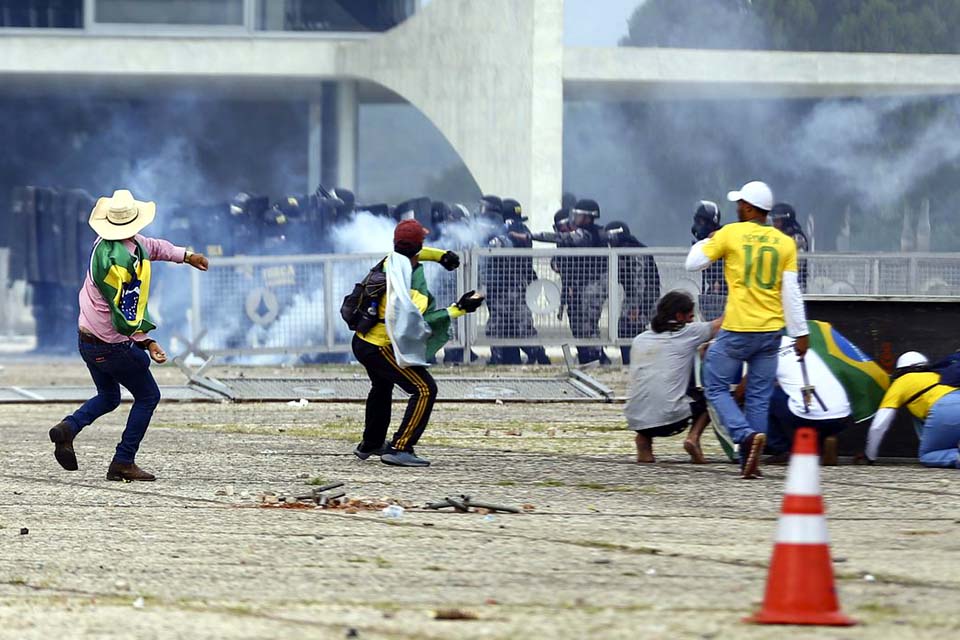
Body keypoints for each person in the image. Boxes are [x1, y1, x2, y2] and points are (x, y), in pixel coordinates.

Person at [47, 189, 209, 481]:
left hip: (87, 340)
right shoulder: (116, 266)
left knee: (109, 396)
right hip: (110, 344)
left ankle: (68, 428)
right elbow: (126, 313)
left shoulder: (107, 243)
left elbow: (154, 247)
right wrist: (148, 341)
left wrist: (186, 256)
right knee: (148, 395)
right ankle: (123, 460)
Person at [685, 180, 809, 479]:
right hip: (772, 332)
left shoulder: (730, 233)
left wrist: (709, 240)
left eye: (740, 203)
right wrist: (801, 334)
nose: (737, 207)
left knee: (714, 385)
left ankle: (743, 435)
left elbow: (693, 263)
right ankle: (749, 462)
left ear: (750, 208)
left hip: (739, 328)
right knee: (758, 397)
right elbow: (791, 292)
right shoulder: (785, 243)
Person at [351, 220, 483, 467]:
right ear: (418, 247)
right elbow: (418, 322)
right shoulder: (411, 284)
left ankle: (371, 443)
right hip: (379, 347)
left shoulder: (391, 260)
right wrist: (459, 308)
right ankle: (400, 448)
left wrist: (441, 256)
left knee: (382, 386)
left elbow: (414, 252)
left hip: (362, 340)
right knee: (424, 389)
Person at [625, 291, 721, 463]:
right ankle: (693, 438)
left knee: (651, 388)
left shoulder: (640, 338)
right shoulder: (688, 332)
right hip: (671, 420)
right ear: (679, 316)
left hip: (636, 419)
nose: (693, 320)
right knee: (713, 396)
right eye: (691, 316)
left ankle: (644, 443)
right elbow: (723, 324)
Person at [865, 351, 960, 468]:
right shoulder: (940, 375)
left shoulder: (902, 381)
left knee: (928, 455)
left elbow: (878, 426)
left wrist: (870, 456)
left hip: (944, 409)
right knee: (917, 413)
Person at [606, 220, 661, 365]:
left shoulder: (634, 251)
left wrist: (637, 307)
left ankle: (633, 366)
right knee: (628, 331)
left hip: (643, 301)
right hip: (640, 300)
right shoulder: (627, 250)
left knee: (629, 329)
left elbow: (639, 281)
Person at [691, 201, 727, 321]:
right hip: (712, 290)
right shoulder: (704, 244)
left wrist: (718, 283)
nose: (697, 226)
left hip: (724, 291)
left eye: (701, 222)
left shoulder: (722, 239)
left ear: (710, 223)